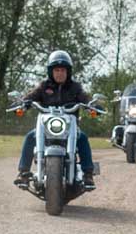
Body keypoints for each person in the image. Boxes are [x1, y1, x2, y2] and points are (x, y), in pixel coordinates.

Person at [15, 49, 96, 190]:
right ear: (51, 71)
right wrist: (22, 103)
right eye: (57, 70)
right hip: (46, 128)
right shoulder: (44, 86)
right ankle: (23, 173)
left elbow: (85, 98)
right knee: (30, 137)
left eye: (63, 70)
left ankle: (88, 174)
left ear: (68, 72)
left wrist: (92, 105)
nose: (60, 73)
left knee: (82, 138)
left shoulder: (75, 87)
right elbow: (31, 96)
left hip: (70, 128)